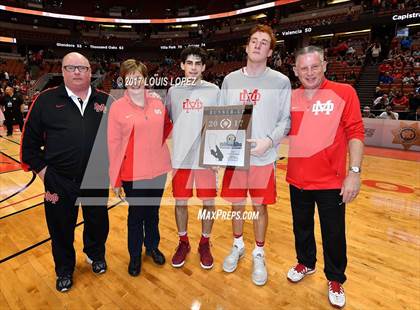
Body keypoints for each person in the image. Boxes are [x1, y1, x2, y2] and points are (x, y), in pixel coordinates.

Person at [21, 52, 113, 292]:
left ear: (90, 72)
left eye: (82, 68)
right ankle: (64, 269)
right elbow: (28, 146)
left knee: (98, 221)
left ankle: (95, 254)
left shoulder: (106, 101)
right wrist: (44, 173)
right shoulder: (45, 101)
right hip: (59, 181)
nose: (77, 72)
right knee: (60, 227)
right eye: (71, 67)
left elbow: (118, 140)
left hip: (96, 179)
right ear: (62, 71)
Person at [286, 46, 364, 308]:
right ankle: (306, 262)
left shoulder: (344, 92)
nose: (309, 72)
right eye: (304, 68)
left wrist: (354, 173)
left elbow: (356, 133)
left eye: (314, 66)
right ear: (295, 71)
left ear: (325, 65)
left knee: (334, 232)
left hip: (332, 182)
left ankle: (335, 278)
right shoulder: (290, 97)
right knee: (302, 227)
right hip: (297, 179)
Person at [219, 24, 291, 286]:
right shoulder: (230, 80)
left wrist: (268, 141)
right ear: (247, 46)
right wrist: (219, 150)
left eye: (263, 42)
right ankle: (237, 245)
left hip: (263, 156)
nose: (257, 45)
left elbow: (286, 120)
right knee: (236, 205)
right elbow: (221, 117)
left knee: (259, 206)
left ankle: (258, 252)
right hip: (235, 157)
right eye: (254, 40)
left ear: (270, 51)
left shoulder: (280, 81)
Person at [108, 59, 172, 276]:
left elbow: (166, 129)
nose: (135, 81)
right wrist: (115, 179)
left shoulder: (157, 103)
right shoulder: (117, 108)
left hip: (159, 172)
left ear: (146, 79)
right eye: (130, 76)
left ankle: (152, 246)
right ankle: (135, 255)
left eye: (139, 76)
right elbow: (114, 145)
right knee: (136, 216)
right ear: (124, 79)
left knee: (153, 213)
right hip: (133, 175)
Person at [165, 47, 220, 269]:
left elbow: (222, 123)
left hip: (206, 159)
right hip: (181, 159)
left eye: (198, 63)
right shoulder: (172, 92)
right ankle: (183, 242)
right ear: (182, 66)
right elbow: (165, 121)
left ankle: (204, 243)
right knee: (180, 202)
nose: (194, 68)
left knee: (208, 203)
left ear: (204, 67)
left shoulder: (214, 90)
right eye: (189, 63)